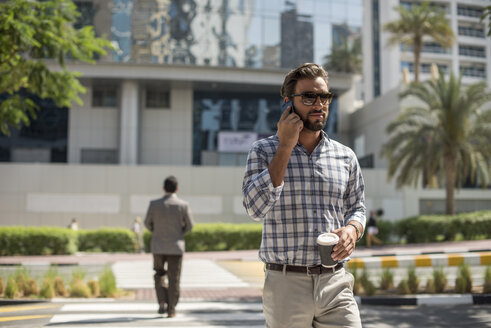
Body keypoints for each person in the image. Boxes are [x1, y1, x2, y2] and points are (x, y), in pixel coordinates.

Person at [242, 63, 366, 328]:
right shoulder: (262, 151)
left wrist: (353, 230)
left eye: (324, 96)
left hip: (336, 283)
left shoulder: (345, 156)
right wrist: (286, 145)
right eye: (309, 97)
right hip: (287, 285)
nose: (319, 103)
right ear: (288, 102)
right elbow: (255, 209)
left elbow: (358, 207)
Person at [144, 176, 194, 318]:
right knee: (174, 278)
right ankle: (171, 309)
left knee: (159, 274)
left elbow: (147, 223)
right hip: (176, 247)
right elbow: (190, 225)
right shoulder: (183, 205)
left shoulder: (154, 204)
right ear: (177, 189)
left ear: (163, 188)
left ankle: (162, 302)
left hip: (158, 246)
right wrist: (179, 233)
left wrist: (157, 231)